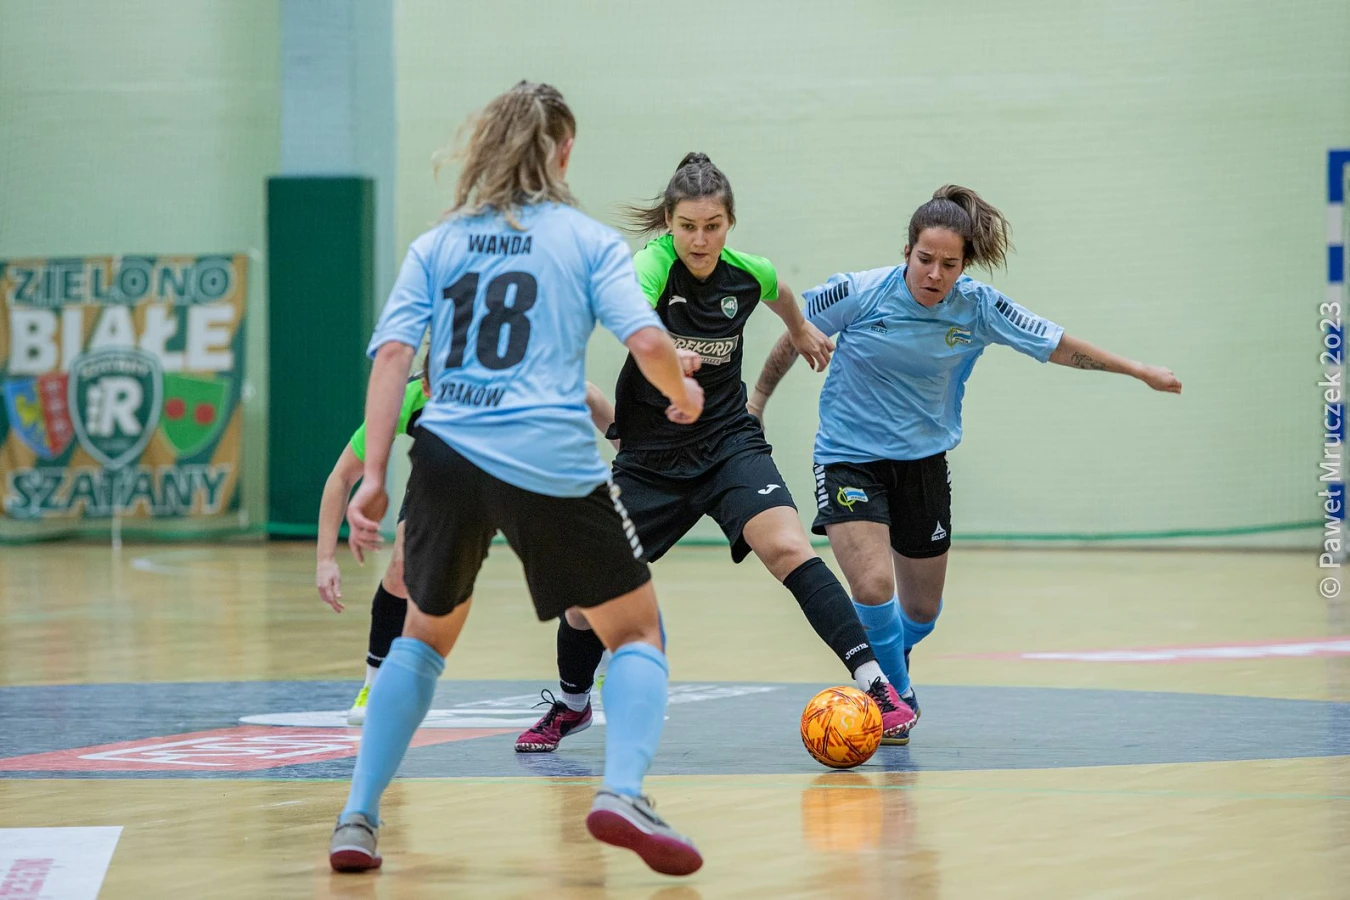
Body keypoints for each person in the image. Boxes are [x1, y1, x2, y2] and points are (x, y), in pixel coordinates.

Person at [328, 81, 706, 878]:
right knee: (636, 633)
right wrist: (681, 394)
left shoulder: (439, 242)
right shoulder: (587, 240)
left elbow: (393, 356)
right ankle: (623, 793)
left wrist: (373, 476)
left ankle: (357, 818)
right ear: (564, 151)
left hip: (447, 453)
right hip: (546, 452)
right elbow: (645, 342)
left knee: (422, 638)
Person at [514, 153, 917, 755]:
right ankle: (572, 706)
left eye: (713, 226)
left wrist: (799, 328)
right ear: (668, 224)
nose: (700, 240)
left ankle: (878, 688)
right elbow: (629, 314)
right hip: (651, 458)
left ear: (730, 223)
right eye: (687, 227)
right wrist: (664, 355)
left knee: (789, 548)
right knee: (581, 595)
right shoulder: (652, 265)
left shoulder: (746, 272)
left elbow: (779, 289)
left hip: (729, 442)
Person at [749, 184, 1182, 733]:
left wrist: (1138, 370)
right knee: (873, 586)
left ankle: (888, 657)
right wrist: (757, 403)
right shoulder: (859, 293)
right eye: (924, 259)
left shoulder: (977, 308)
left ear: (964, 265)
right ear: (907, 251)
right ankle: (894, 698)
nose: (934, 273)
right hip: (848, 458)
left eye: (948, 265)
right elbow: (796, 331)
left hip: (923, 463)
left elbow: (1056, 344)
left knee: (922, 612)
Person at [314, 371, 620, 726]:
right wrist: (325, 560)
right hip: (449, 480)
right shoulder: (407, 398)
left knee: (576, 577)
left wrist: (631, 462)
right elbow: (342, 476)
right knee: (402, 566)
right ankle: (375, 684)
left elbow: (591, 396)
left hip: (523, 475)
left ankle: (603, 667)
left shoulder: (524, 382)